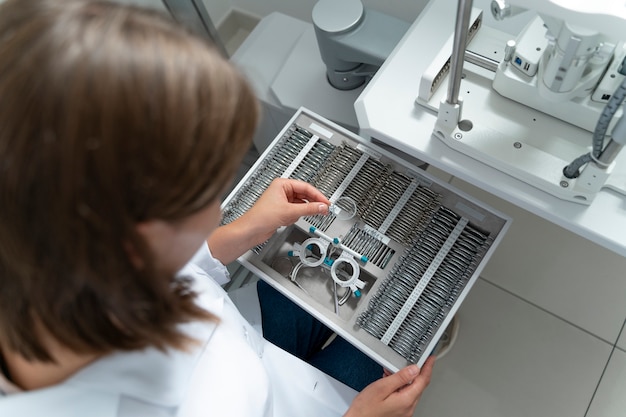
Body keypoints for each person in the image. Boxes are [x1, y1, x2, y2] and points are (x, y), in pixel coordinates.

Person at [0, 0, 435, 416]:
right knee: (407, 347)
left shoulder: (59, 262)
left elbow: (169, 277)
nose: (217, 206)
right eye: (204, 188)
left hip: (252, 352)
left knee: (350, 308)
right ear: (135, 238)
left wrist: (238, 234)